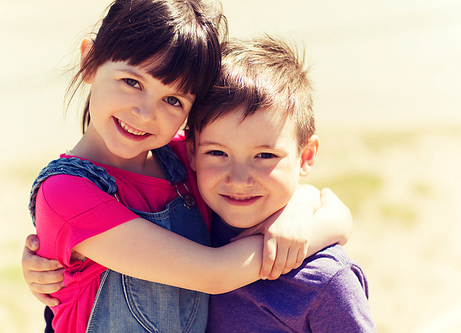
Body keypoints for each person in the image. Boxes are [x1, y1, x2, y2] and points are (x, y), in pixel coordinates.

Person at [23, 1, 353, 332]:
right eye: (132, 82)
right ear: (90, 61)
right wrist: (304, 238)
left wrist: (298, 207)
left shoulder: (186, 157)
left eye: (173, 100)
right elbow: (213, 273)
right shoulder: (65, 193)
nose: (145, 113)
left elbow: (336, 211)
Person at [185, 35, 376, 332]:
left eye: (264, 155)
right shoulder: (186, 228)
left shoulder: (326, 282)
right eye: (217, 153)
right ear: (191, 152)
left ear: (306, 156)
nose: (238, 179)